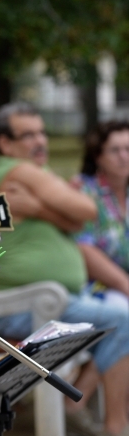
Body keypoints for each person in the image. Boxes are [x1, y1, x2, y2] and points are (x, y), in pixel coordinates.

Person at [0, 102, 129, 436]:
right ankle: (116, 430)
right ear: (5, 143)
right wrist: (58, 208)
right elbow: (86, 209)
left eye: (42, 132)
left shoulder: (32, 175)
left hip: (47, 301)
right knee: (123, 318)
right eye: (28, 134)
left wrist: (36, 208)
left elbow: (76, 221)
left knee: (119, 315)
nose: (40, 141)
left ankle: (90, 414)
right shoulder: (16, 169)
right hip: (23, 306)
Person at [74, 121, 129, 312]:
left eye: (128, 149)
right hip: (100, 288)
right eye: (115, 150)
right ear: (98, 155)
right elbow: (84, 248)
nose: (124, 157)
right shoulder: (84, 191)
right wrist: (125, 285)